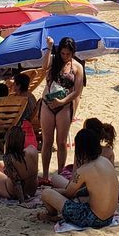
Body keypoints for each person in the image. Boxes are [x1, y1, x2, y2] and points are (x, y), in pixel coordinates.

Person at [38, 128, 119, 228]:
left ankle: (51, 215)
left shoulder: (84, 170)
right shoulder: (105, 161)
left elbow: (68, 194)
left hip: (93, 219)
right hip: (108, 218)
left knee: (46, 193)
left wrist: (53, 191)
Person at [38, 36, 86, 181]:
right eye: (63, 53)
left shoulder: (77, 67)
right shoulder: (53, 61)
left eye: (68, 54)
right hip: (48, 104)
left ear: (73, 53)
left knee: (61, 142)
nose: (65, 57)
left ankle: (60, 173)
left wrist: (62, 102)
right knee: (47, 141)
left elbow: (77, 91)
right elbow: (44, 67)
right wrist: (49, 48)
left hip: (63, 106)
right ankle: (45, 175)